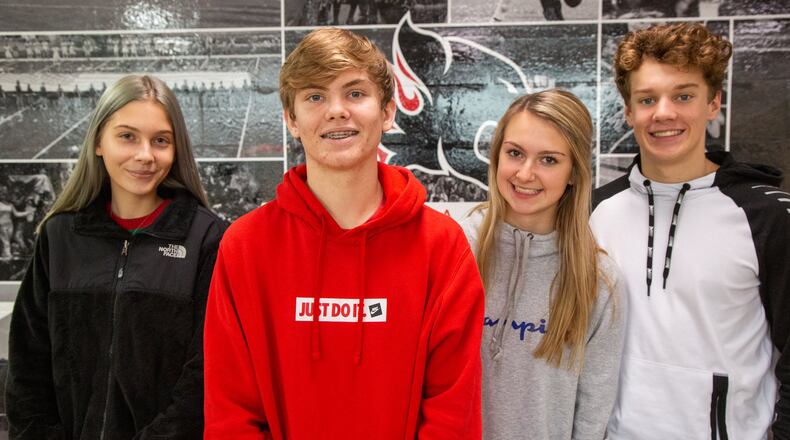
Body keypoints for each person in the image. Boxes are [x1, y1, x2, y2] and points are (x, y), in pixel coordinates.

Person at [203, 28, 485, 439]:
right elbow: (231, 410)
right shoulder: (245, 246)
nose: (336, 110)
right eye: (315, 96)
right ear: (291, 119)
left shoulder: (442, 247)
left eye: (355, 93)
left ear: (387, 112)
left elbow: (451, 411)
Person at [591, 22, 789, 439]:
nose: (664, 113)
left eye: (683, 95)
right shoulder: (593, 211)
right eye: (647, 99)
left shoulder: (766, 216)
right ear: (628, 112)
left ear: (713, 103)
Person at [5, 74, 225, 439]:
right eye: (127, 136)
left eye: (161, 141)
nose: (145, 155)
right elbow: (27, 373)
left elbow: (203, 379)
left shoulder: (206, 239)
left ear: (176, 149)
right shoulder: (59, 237)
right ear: (98, 143)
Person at [461, 89, 623, 439]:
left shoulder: (598, 280)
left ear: (574, 173)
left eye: (549, 160)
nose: (525, 173)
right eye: (515, 153)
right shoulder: (457, 250)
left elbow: (593, 416)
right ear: (496, 156)